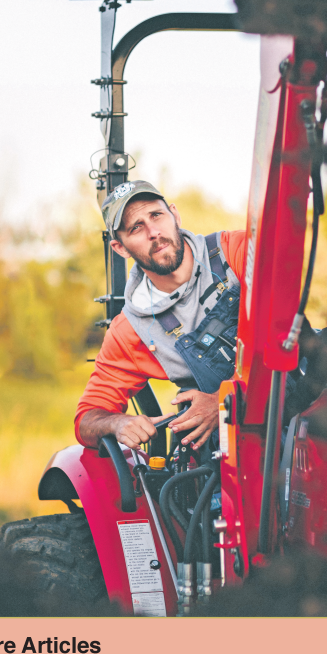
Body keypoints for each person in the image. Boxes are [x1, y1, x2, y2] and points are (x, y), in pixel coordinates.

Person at [75, 181, 246, 452]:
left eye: (156, 215)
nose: (153, 232)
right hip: (231, 454)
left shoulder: (236, 251)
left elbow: (283, 332)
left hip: (306, 404)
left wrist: (225, 402)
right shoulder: (132, 330)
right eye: (136, 227)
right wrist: (117, 423)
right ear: (120, 248)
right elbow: (87, 418)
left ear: (174, 215)